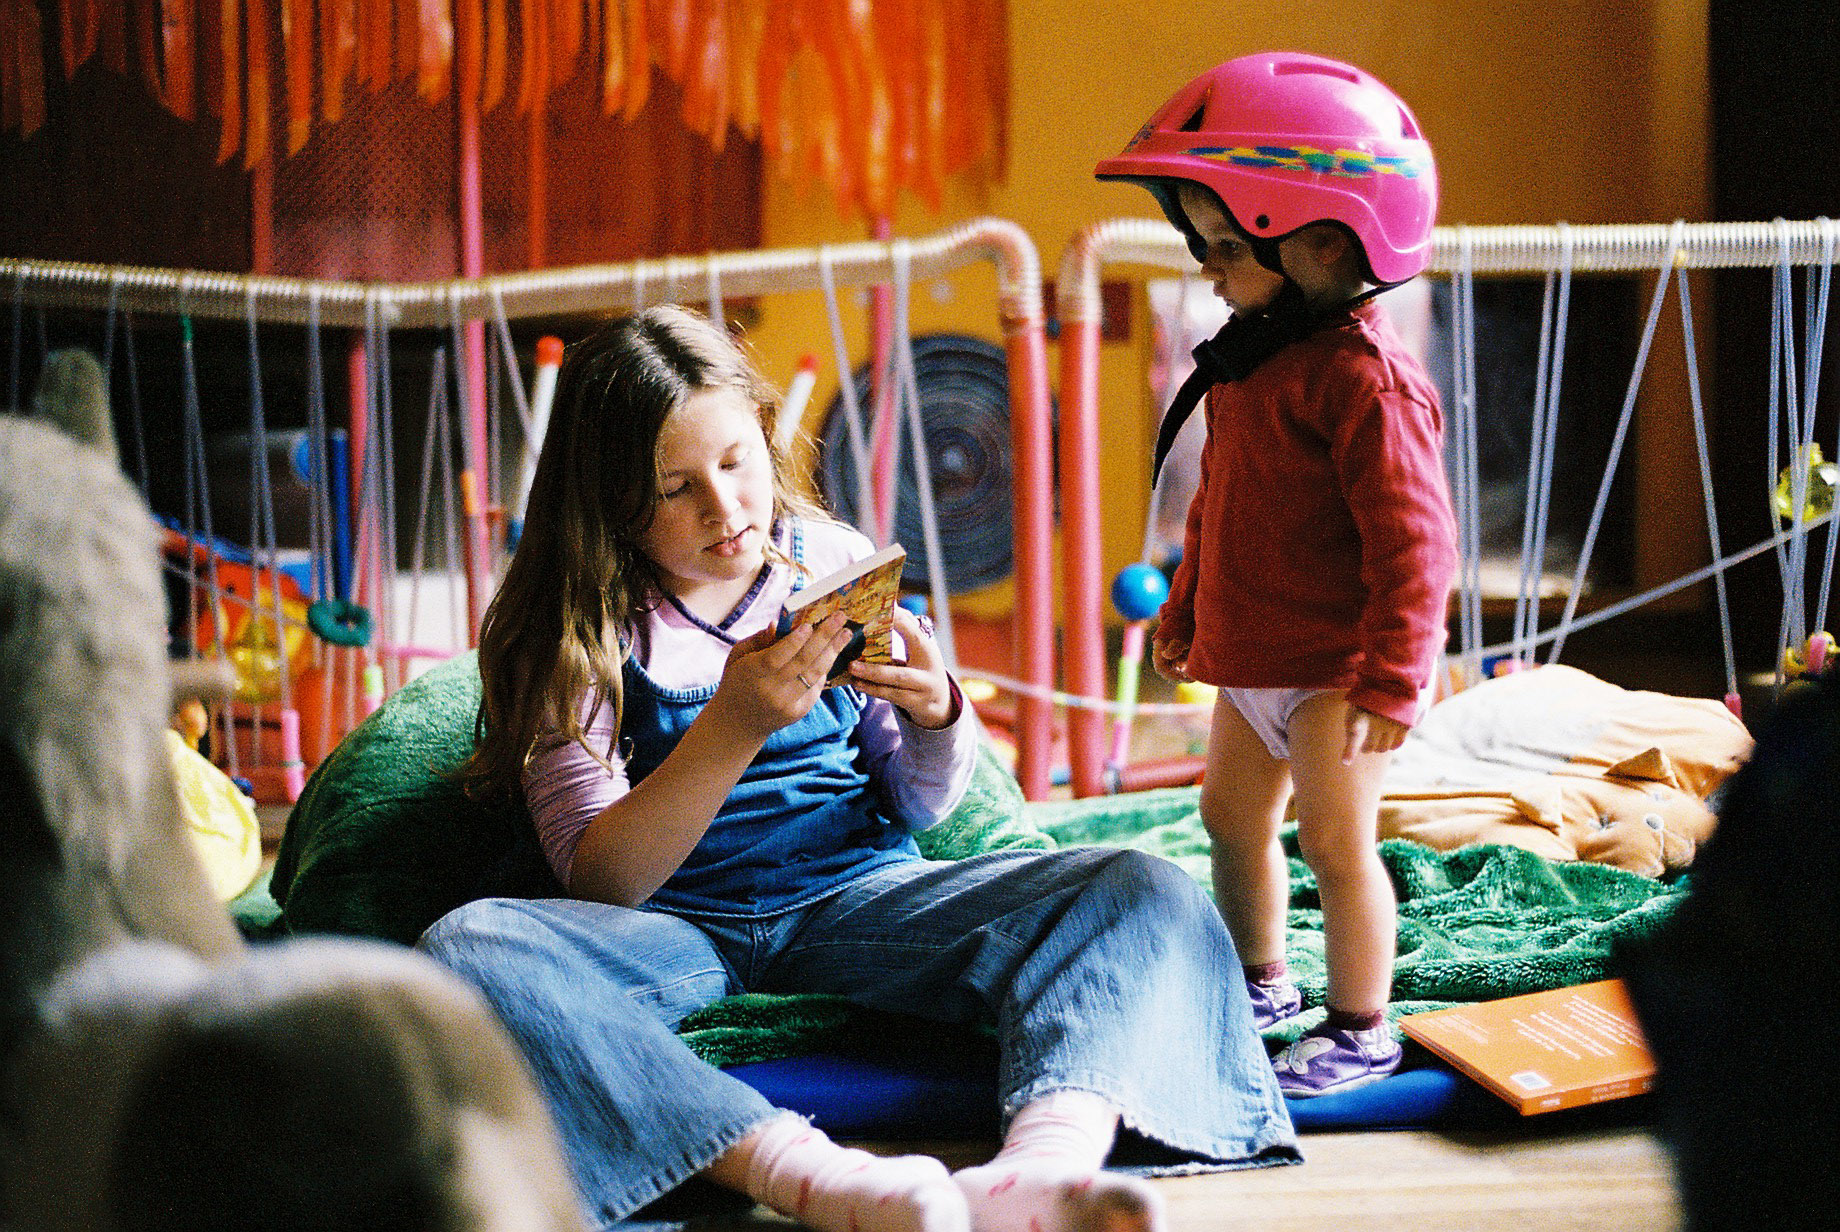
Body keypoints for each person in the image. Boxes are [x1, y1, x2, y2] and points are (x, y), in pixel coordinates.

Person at [415, 306, 1298, 1232]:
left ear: (766, 435)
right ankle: (805, 1175)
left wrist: (936, 715)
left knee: (1146, 892)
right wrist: (733, 725)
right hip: (675, 931)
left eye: (734, 462)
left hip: (859, 900)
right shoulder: (578, 625)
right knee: (469, 951)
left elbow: (916, 808)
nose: (723, 508)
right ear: (609, 502)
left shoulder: (828, 565)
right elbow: (602, 882)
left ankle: (1041, 1169)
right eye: (674, 489)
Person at [1095, 52, 1458, 1097]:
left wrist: (1395, 675)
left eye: (1220, 246)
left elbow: (1414, 545)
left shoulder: (1365, 381)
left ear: (1314, 241)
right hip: (1251, 658)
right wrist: (1186, 605)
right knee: (1228, 818)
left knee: (1336, 843)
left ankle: (1359, 1022)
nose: (1206, 268)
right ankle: (1261, 981)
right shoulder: (1249, 360)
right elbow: (1221, 503)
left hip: (1336, 668)